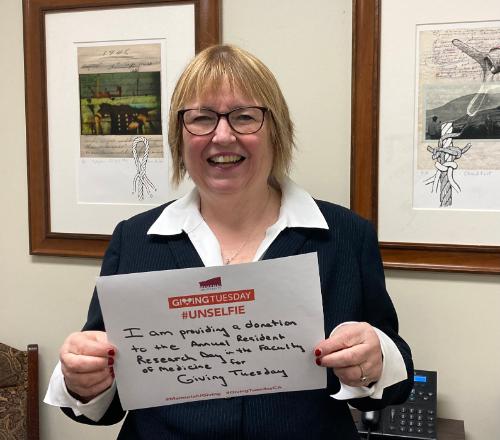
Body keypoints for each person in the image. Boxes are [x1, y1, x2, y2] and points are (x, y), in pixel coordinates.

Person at [45, 44, 413, 439]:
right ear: (179, 136)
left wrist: (376, 358)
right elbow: (103, 404)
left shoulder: (345, 234)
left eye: (244, 117)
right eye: (201, 118)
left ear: (276, 130)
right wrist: (83, 380)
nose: (223, 135)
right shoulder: (135, 239)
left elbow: (393, 384)